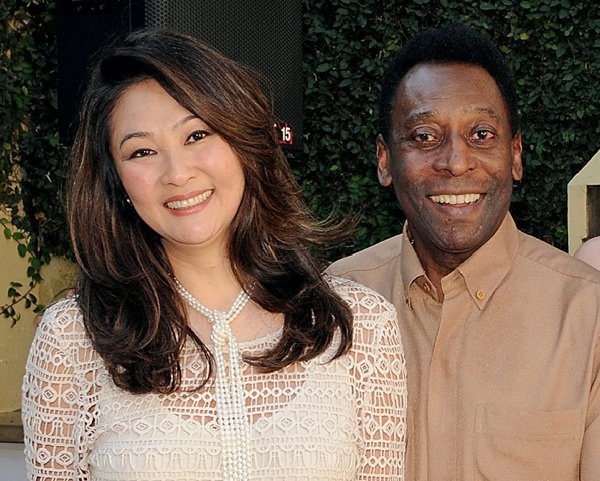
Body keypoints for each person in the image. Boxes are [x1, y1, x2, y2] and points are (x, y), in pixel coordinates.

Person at [21, 29, 406, 481]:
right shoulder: (72, 339)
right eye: (142, 151)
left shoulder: (360, 326)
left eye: (197, 134)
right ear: (116, 181)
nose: (177, 173)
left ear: (243, 145)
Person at [328, 23, 600, 481]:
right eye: (424, 136)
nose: (456, 162)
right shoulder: (336, 305)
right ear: (384, 160)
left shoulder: (588, 316)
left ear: (515, 155)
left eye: (481, 134)